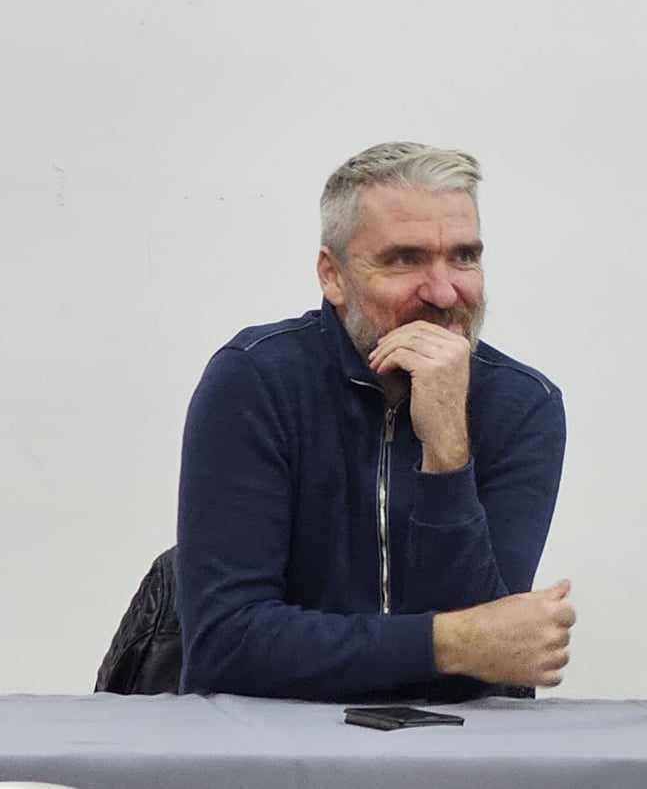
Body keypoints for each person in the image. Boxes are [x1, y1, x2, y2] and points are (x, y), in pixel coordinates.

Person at [176, 142, 573, 701]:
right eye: (405, 260)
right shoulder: (255, 380)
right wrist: (449, 643)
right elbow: (226, 648)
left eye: (464, 257)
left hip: (456, 745)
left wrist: (446, 446)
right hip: (273, 738)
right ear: (332, 275)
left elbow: (491, 667)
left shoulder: (524, 405)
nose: (444, 292)